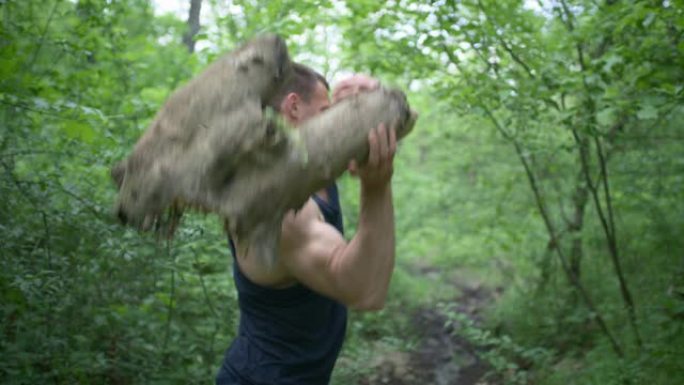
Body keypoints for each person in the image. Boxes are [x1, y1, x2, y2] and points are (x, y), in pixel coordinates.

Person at [216, 64, 397, 385]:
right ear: (294, 107)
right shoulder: (278, 206)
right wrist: (376, 187)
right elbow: (366, 291)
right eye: (326, 111)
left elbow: (375, 136)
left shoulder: (313, 169)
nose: (335, 120)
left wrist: (371, 97)